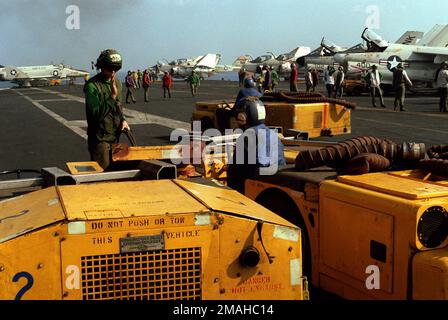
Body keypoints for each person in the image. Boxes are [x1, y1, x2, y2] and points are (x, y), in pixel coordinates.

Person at [83, 49, 130, 170]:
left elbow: (118, 106)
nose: (113, 72)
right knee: (102, 175)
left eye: (116, 69)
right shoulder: (92, 86)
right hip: (100, 140)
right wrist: (112, 97)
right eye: (109, 69)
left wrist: (123, 120)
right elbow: (96, 114)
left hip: (115, 136)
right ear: (101, 67)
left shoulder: (118, 83)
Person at [227, 98, 286, 194]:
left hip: (254, 188)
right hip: (276, 186)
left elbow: (235, 173)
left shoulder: (246, 138)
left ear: (243, 117)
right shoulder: (273, 135)